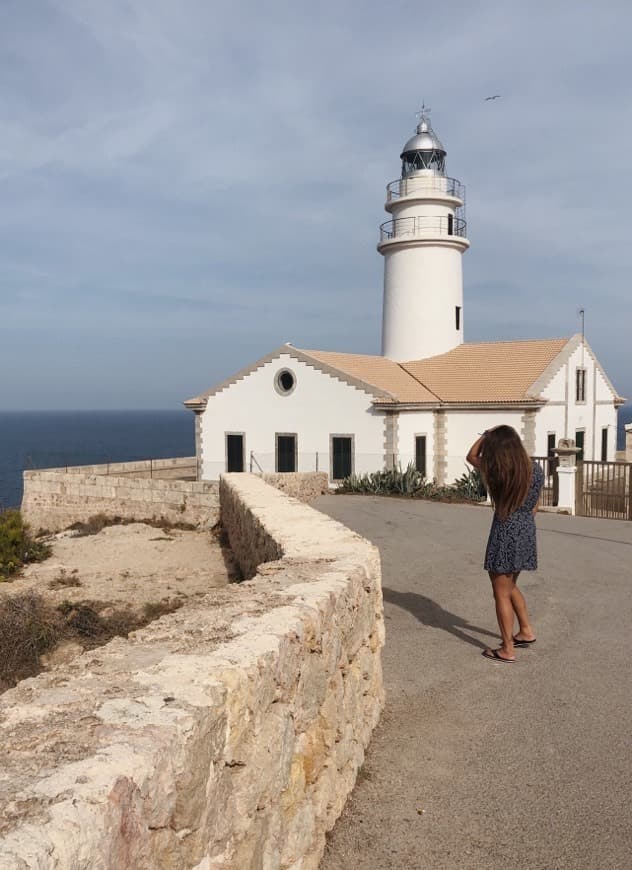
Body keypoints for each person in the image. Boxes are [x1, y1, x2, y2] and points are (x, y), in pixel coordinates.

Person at [466, 425, 544, 663]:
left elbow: (471, 456)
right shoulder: (535, 469)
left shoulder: (498, 470)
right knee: (509, 586)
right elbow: (535, 506)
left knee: (500, 592)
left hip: (504, 532)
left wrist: (485, 436)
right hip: (526, 530)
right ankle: (526, 631)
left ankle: (507, 648)